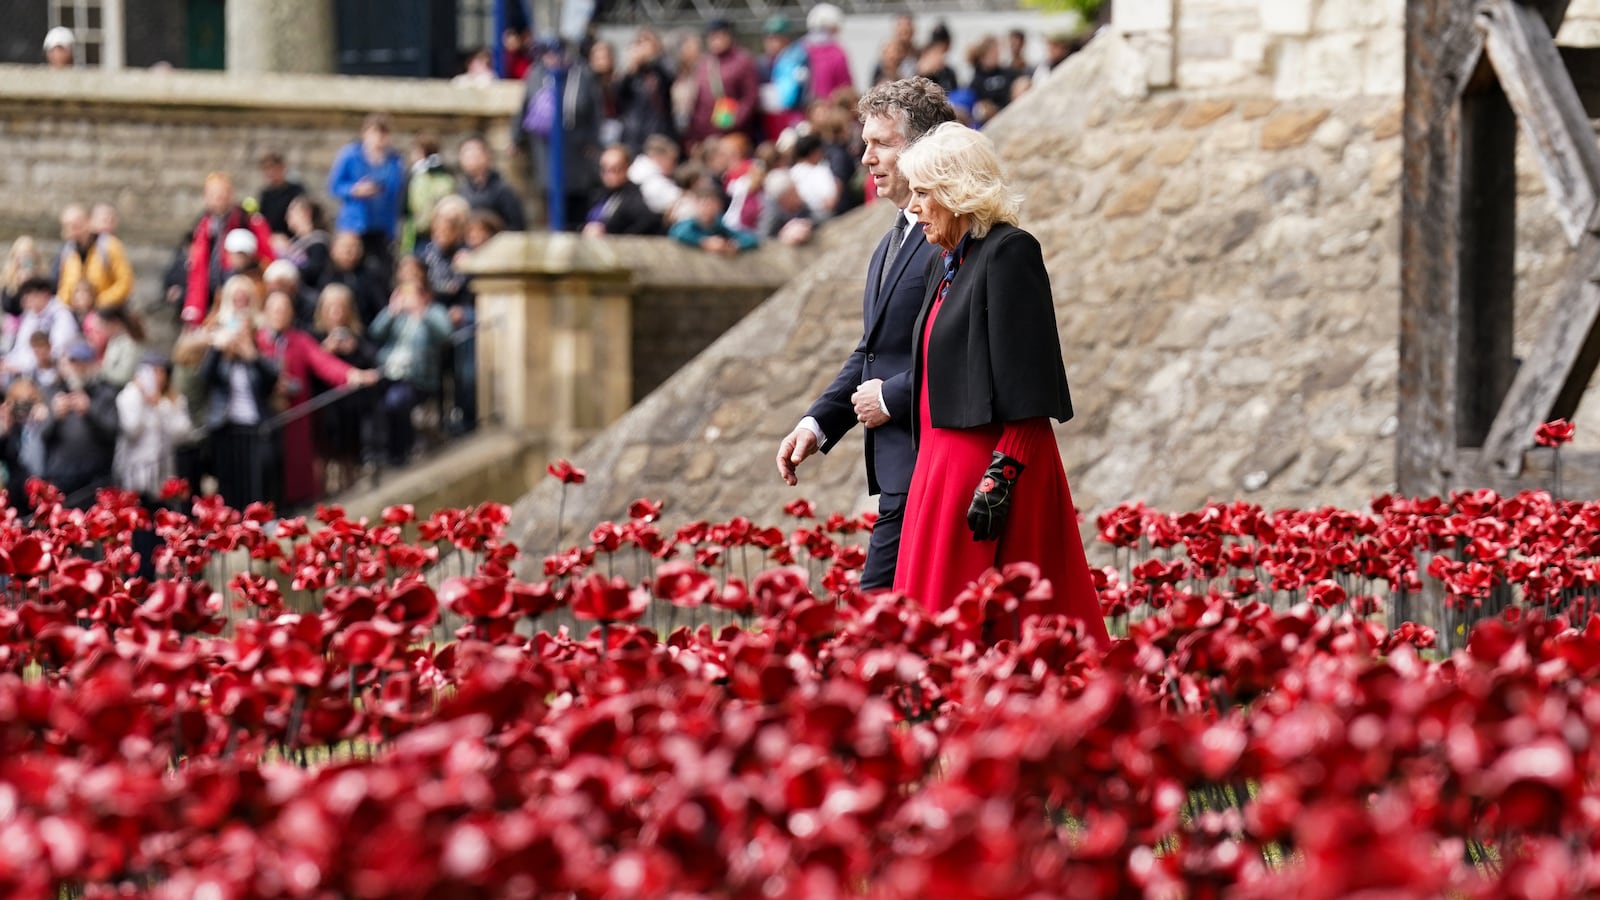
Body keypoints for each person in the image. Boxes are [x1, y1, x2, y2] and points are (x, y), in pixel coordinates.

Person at [890, 122, 1108, 643]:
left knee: (1001, 633)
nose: (914, 207)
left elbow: (1031, 380)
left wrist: (999, 480)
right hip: (940, 469)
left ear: (957, 192)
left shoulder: (1010, 253)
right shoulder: (946, 263)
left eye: (923, 193)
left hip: (992, 476)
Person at [776, 77, 956, 591]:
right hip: (902, 473)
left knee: (878, 634)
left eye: (881, 143)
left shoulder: (951, 238)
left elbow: (962, 351)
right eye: (864, 142)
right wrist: (816, 424)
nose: (865, 158)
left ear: (922, 148)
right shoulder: (888, 244)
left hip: (936, 466)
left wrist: (892, 397)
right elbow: (872, 352)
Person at [258, 290, 376, 508]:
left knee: (298, 460)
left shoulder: (300, 340)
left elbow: (324, 363)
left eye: (284, 309)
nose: (280, 314)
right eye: (275, 309)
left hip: (296, 412)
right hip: (266, 413)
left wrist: (352, 374)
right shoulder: (258, 341)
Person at [518, 39, 603, 230]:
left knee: (577, 203)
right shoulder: (536, 74)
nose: (552, 58)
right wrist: (516, 139)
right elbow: (524, 108)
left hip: (577, 152)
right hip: (546, 150)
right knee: (551, 201)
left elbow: (596, 113)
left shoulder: (583, 75)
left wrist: (594, 142)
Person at [369, 279, 452, 465]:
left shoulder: (434, 312)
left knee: (396, 401)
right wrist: (391, 311)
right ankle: (380, 452)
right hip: (388, 371)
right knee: (373, 402)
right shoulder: (399, 315)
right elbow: (375, 332)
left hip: (417, 376)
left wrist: (422, 313)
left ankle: (399, 451)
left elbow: (445, 334)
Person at [183, 172, 275, 327]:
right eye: (213, 194)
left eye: (223, 193)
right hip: (214, 297)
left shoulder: (247, 220)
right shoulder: (203, 226)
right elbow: (197, 268)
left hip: (243, 295)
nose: (219, 198)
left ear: (231, 194)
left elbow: (268, 257)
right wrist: (193, 308)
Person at [311, 284, 377, 486]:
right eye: (331, 307)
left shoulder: (358, 334)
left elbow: (372, 362)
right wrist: (326, 352)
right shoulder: (314, 336)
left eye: (341, 307)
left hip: (355, 404)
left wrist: (355, 349)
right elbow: (313, 372)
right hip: (328, 405)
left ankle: (355, 470)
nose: (336, 313)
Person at [41, 340, 120, 506]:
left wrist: (89, 411)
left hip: (95, 478)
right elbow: (42, 435)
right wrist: (55, 417)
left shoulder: (104, 392)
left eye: (82, 363)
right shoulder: (52, 392)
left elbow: (112, 433)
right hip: (61, 476)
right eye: (72, 362)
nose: (76, 368)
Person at [328, 113, 405, 271]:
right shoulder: (350, 155)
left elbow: (395, 193)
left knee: (381, 270)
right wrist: (354, 190)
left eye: (383, 133)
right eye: (374, 132)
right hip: (354, 225)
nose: (378, 138)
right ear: (365, 134)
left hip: (382, 227)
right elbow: (334, 186)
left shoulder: (394, 161)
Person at [114, 352, 192, 500]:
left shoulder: (174, 399)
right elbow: (132, 429)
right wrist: (141, 399)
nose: (156, 376)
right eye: (151, 371)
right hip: (135, 475)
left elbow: (183, 433)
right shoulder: (129, 395)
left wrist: (161, 405)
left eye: (160, 371)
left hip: (164, 475)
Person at [685, 20, 759, 151]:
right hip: (704, 133)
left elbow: (750, 97)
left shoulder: (742, 61)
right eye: (712, 36)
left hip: (730, 131)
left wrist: (735, 121)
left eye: (720, 36)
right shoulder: (704, 62)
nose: (716, 41)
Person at [55, 203, 134, 310]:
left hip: (107, 310)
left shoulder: (109, 245)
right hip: (77, 311)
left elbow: (125, 282)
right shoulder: (68, 251)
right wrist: (63, 305)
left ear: (88, 222)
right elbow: (65, 287)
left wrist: (99, 302)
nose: (72, 230)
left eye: (76, 225)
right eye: (67, 226)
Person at [4, 277, 79, 378]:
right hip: (26, 369)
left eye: (31, 296)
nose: (27, 301)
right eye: (25, 297)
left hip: (54, 371)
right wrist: (9, 363)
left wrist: (22, 366)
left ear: (45, 293)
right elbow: (20, 347)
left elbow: (58, 350)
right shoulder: (30, 316)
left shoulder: (62, 315)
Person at [616, 30, 677, 153]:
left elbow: (669, 77)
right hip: (633, 134)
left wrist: (654, 57)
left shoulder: (661, 68)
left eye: (647, 43)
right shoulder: (632, 74)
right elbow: (618, 96)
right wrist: (630, 68)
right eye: (639, 44)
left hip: (658, 134)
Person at [583, 146, 663, 236]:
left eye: (615, 169)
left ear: (626, 168)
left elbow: (645, 226)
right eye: (604, 169)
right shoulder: (598, 196)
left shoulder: (637, 199)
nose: (608, 175)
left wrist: (606, 234)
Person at [456, 136, 526, 232]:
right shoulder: (461, 191)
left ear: (487, 155)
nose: (470, 158)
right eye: (466, 154)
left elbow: (516, 227)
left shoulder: (503, 190)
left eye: (475, 153)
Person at [403, 132, 457, 256]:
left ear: (421, 151)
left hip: (424, 230)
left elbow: (410, 206)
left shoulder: (418, 176)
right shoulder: (447, 174)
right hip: (438, 230)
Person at [758, 16, 809, 143]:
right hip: (767, 119)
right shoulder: (761, 64)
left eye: (776, 38)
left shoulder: (798, 59)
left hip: (792, 116)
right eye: (768, 39)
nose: (771, 43)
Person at [668, 183, 757, 255]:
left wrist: (735, 245)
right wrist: (705, 242)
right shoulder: (689, 224)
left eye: (711, 204)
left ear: (718, 206)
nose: (707, 209)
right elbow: (678, 232)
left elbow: (750, 238)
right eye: (703, 204)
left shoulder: (719, 226)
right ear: (696, 204)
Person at [803, 4, 853, 103]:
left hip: (804, 109)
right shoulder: (836, 52)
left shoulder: (802, 47)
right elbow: (845, 86)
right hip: (828, 110)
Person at [257, 151, 307, 241]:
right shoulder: (265, 195)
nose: (271, 173)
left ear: (282, 167)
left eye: (274, 168)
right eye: (267, 169)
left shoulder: (296, 191)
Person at [284, 196, 331, 288]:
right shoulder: (294, 241)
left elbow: (314, 273)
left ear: (306, 213)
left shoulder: (318, 241)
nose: (287, 217)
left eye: (291, 212)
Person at [97, 306, 143, 388]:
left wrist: (103, 372)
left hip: (123, 387)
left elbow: (124, 376)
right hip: (109, 383)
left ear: (115, 322)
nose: (102, 329)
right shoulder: (113, 339)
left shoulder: (131, 341)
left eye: (104, 324)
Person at [1, 237, 45, 317]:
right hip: (16, 323)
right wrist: (19, 285)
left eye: (28, 254)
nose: (25, 258)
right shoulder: (9, 279)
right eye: (21, 254)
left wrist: (33, 283)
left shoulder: (41, 278)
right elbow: (7, 307)